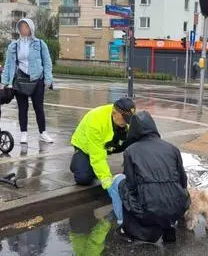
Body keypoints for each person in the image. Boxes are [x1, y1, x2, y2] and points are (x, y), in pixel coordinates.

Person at [114, 111, 190, 243]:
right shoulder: (172, 148)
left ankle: (125, 226)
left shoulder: (131, 151)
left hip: (149, 208)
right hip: (177, 207)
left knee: (118, 182)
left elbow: (131, 185)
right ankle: (168, 224)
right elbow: (183, 181)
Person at [70, 97, 135, 224]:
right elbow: (97, 157)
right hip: (86, 148)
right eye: (124, 119)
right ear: (114, 113)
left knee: (133, 141)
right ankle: (77, 163)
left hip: (108, 145)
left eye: (129, 119)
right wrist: (108, 184)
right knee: (83, 178)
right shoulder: (95, 120)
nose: (126, 122)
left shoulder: (125, 117)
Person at [1, 18, 54, 144]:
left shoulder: (40, 44)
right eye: (21, 27)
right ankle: (24, 133)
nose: (23, 29)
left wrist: (48, 79)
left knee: (38, 108)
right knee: (22, 108)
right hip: (20, 80)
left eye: (25, 26)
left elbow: (47, 62)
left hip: (37, 79)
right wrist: (5, 81)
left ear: (31, 28)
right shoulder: (14, 45)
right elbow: (8, 64)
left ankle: (43, 133)